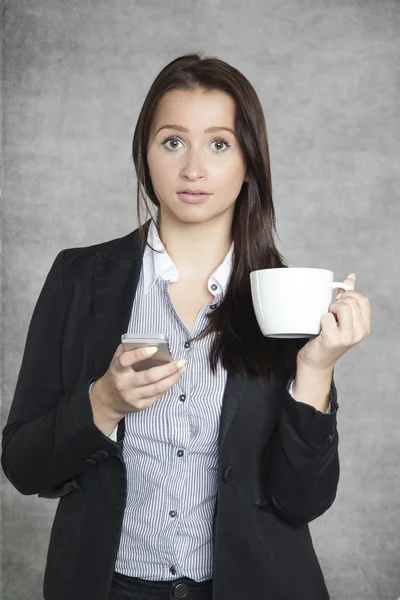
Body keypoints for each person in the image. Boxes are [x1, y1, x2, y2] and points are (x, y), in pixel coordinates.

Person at [2, 53, 341, 600]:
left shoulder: (285, 294)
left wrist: (316, 369)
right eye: (173, 141)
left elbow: (302, 500)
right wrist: (104, 403)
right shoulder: (78, 277)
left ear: (249, 161)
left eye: (219, 144)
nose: (193, 170)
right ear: (145, 154)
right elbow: (23, 467)